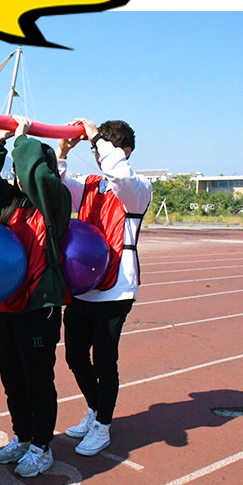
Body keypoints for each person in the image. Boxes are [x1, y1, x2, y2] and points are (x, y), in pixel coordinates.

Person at [0, 115, 72, 477]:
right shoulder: (10, 203)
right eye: (16, 171)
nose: (19, 177)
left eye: (24, 169)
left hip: (38, 306)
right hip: (6, 304)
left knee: (37, 378)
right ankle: (23, 435)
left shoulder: (55, 201)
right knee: (12, 377)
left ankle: (42, 446)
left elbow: (40, 176)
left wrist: (23, 138)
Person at [57, 118, 153, 456]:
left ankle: (103, 425)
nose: (99, 156)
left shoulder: (137, 188)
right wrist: (62, 153)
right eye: (97, 150)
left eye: (105, 149)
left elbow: (120, 176)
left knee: (104, 360)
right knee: (74, 355)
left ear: (125, 151)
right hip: (84, 285)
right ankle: (95, 408)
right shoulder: (90, 185)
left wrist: (96, 137)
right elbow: (58, 189)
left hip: (116, 289)